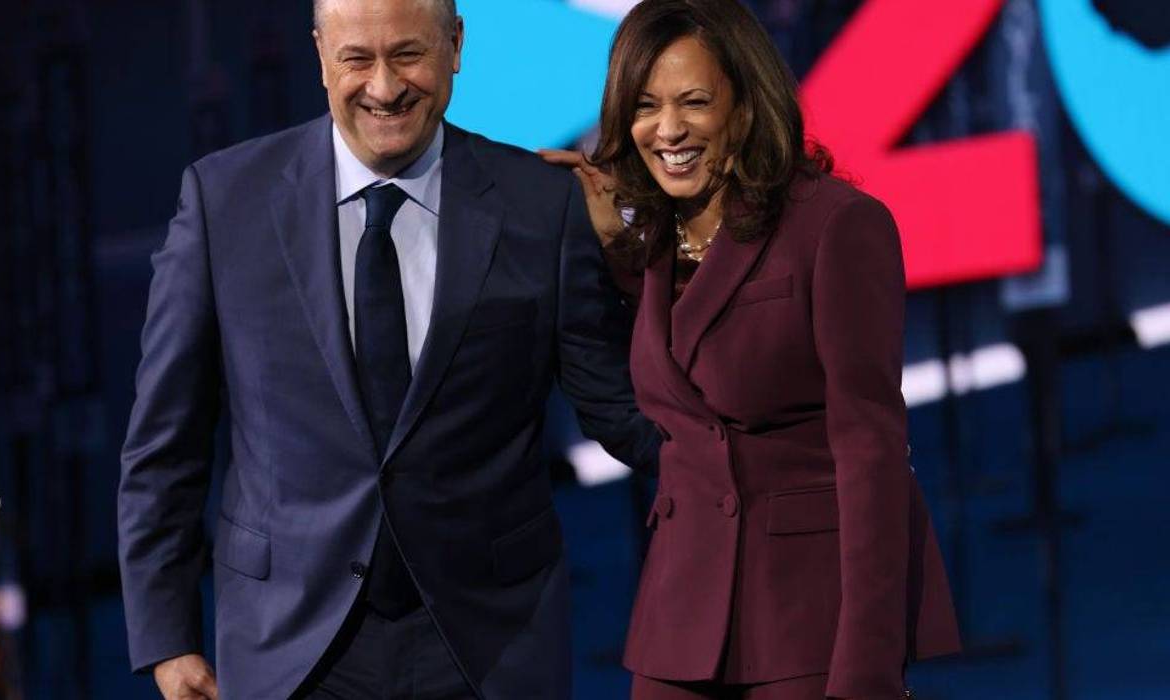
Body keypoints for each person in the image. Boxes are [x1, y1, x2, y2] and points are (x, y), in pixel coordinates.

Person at [116, 0, 659, 698]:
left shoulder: (539, 203)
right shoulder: (225, 202)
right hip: (288, 648)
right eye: (356, 59)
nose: (383, 87)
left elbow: (618, 409)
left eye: (407, 54)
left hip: (490, 643)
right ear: (319, 56)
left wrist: (765, 459)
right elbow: (166, 443)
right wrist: (168, 639)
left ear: (455, 46)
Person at [541, 0, 961, 697]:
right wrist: (620, 252)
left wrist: (866, 667)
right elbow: (673, 388)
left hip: (806, 621)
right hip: (679, 619)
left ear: (744, 107)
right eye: (644, 105)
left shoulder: (836, 228)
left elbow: (871, 456)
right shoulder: (649, 242)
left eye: (694, 101)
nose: (666, 129)